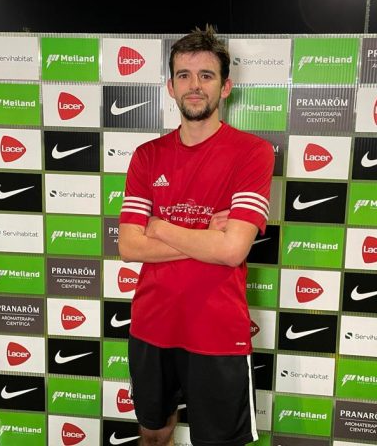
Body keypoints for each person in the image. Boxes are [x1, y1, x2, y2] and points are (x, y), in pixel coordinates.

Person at [118, 26, 275, 446]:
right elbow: (129, 246)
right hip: (152, 326)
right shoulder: (147, 156)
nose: (194, 85)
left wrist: (161, 227)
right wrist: (205, 235)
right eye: (184, 75)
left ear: (226, 87)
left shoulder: (253, 152)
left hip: (218, 330)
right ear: (170, 87)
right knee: (153, 434)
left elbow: (232, 249)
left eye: (206, 75)